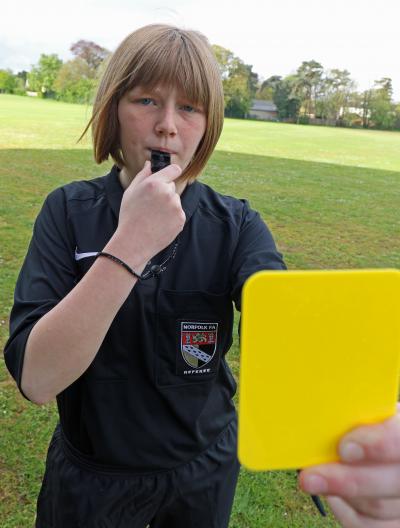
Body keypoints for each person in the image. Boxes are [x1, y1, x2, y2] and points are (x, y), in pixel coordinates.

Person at [3, 24, 400, 528]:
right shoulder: (67, 211)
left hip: (201, 473)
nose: (168, 125)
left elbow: (288, 331)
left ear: (208, 123)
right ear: (112, 109)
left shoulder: (235, 224)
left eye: (189, 107)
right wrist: (131, 243)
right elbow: (37, 379)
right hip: (93, 477)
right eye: (146, 99)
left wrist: (356, 435)